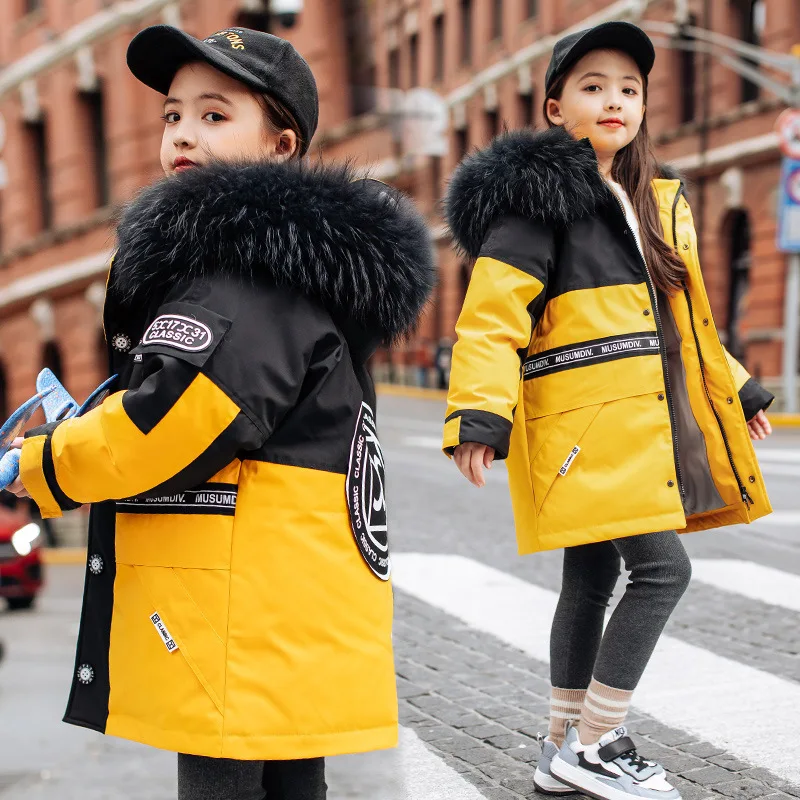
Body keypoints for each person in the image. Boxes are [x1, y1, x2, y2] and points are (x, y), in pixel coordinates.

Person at [7, 24, 434, 800]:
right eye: (172, 116)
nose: (182, 136)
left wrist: (42, 462)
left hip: (234, 617)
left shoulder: (244, 273)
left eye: (214, 115)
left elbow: (172, 422)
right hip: (280, 608)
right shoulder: (291, 271)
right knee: (291, 781)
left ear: (280, 145)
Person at [442, 21, 773, 800]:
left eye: (629, 88)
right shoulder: (537, 205)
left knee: (591, 578)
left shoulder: (651, 201)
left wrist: (742, 387)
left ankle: (560, 741)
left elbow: (681, 327)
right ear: (556, 108)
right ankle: (599, 742)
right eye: (593, 87)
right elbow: (491, 319)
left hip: (631, 427)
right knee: (664, 572)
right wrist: (477, 419)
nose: (614, 100)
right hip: (587, 434)